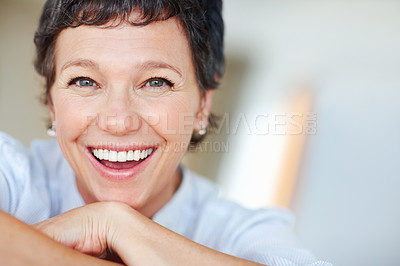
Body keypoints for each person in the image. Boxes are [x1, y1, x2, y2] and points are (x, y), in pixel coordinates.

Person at [0, 0, 331, 265]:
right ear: (52, 101)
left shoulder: (241, 231)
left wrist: (116, 225)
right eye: (84, 81)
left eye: (156, 82)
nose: (118, 121)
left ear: (202, 105)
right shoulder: (14, 176)